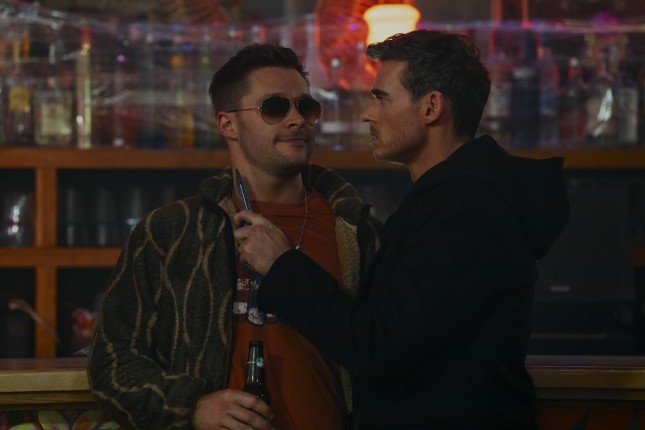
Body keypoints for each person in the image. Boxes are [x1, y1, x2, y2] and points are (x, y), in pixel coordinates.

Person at [234, 30, 570, 429]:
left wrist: (281, 265)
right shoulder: (457, 200)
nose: (367, 114)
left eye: (382, 98)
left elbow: (380, 346)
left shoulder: (464, 210)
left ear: (431, 107)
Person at [87, 43, 381, 430]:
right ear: (228, 125)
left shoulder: (355, 231)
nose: (297, 120)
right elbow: (112, 362)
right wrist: (192, 408)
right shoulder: (172, 231)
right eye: (275, 107)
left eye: (306, 107)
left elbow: (389, 352)